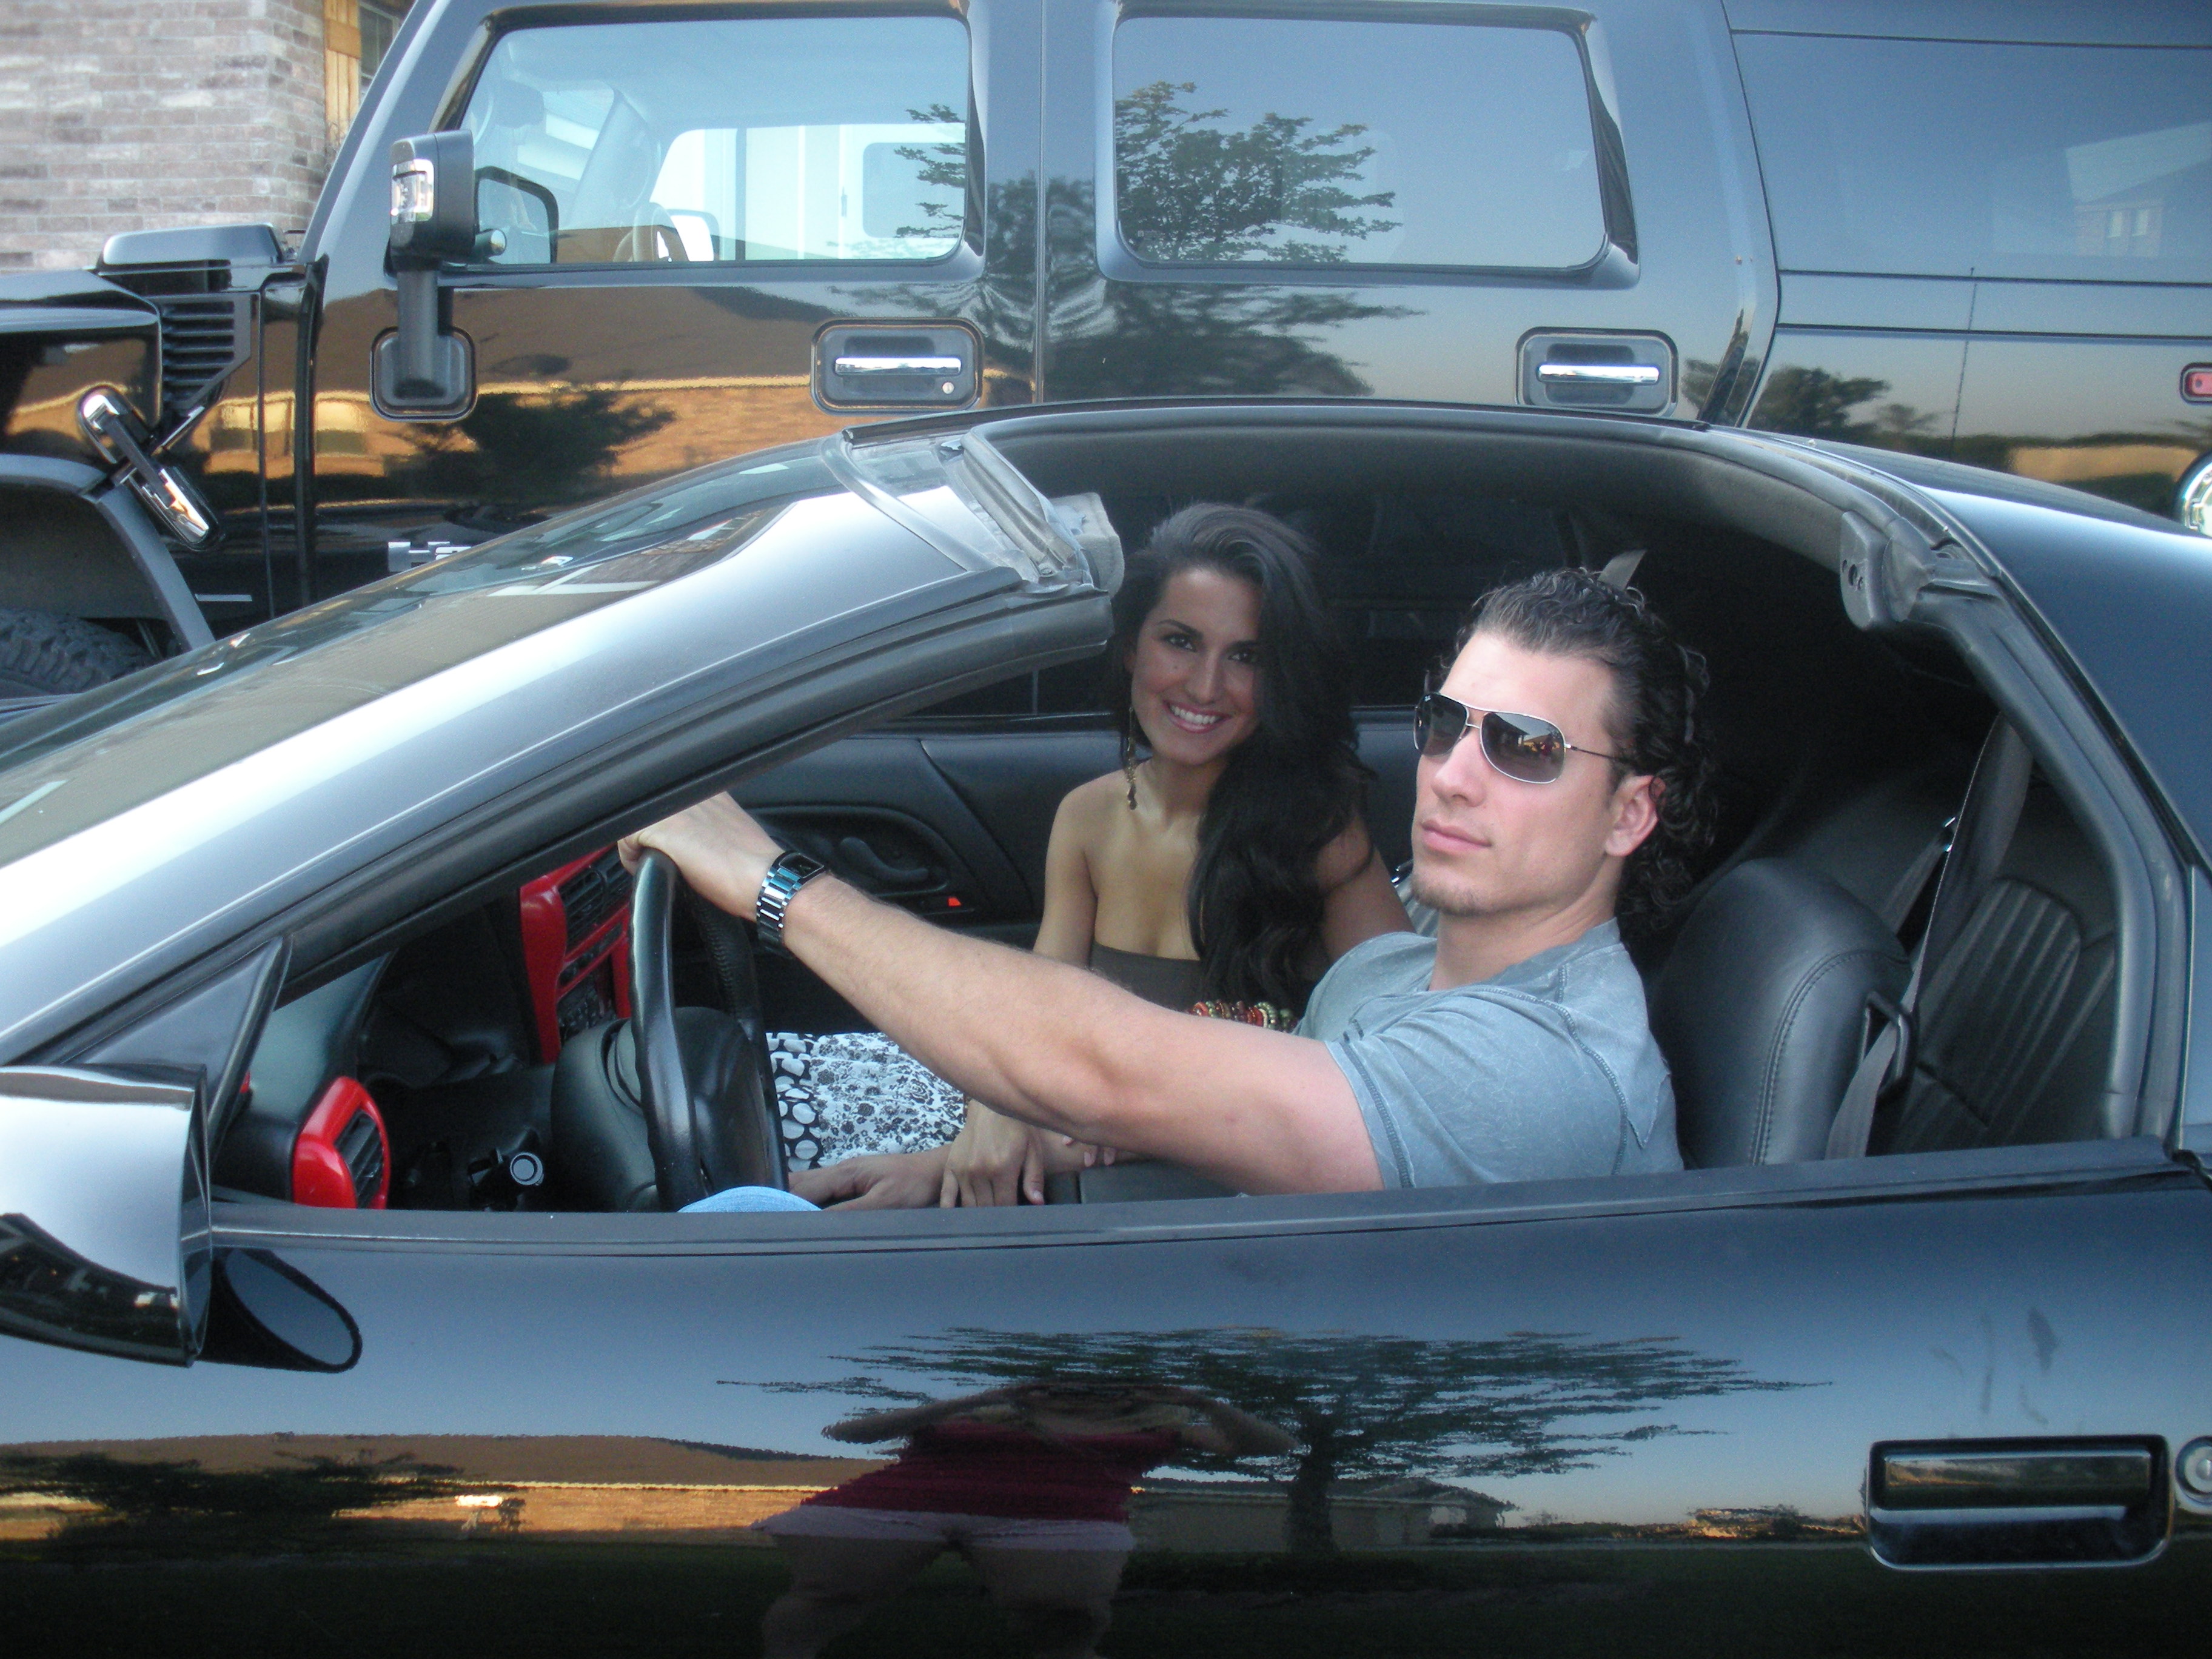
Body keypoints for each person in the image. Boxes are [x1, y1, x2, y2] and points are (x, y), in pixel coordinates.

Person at [627, 566, 1714, 1201]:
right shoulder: (1417, 951)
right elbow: (1212, 1104)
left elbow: (1105, 1060)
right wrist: (983, 1164)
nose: (1452, 777)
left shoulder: (1535, 1072)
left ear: (1630, 811)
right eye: (1443, 725)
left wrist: (763, 879)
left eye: (1523, 747)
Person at [763, 503, 1407, 1202]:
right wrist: (990, 1116)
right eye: (1181, 642)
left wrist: (943, 1166)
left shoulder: (1318, 835)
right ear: (1131, 646)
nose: (1205, 686)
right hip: (1078, 1148)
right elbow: (1035, 1013)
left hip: (1227, 1200)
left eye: (1247, 657)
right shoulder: (1090, 817)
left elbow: (1407, 1071)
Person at [756, 1381, 1291, 1659]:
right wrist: (988, 1398)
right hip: (896, 1503)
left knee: (1066, 1614)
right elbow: (852, 1434)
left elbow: (1269, 1445)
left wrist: (1200, 1400)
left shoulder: (1161, 1422)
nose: (1080, 1392)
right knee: (827, 1594)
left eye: (1104, 1384)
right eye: (1061, 1382)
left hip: (1062, 1515)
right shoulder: (983, 1410)